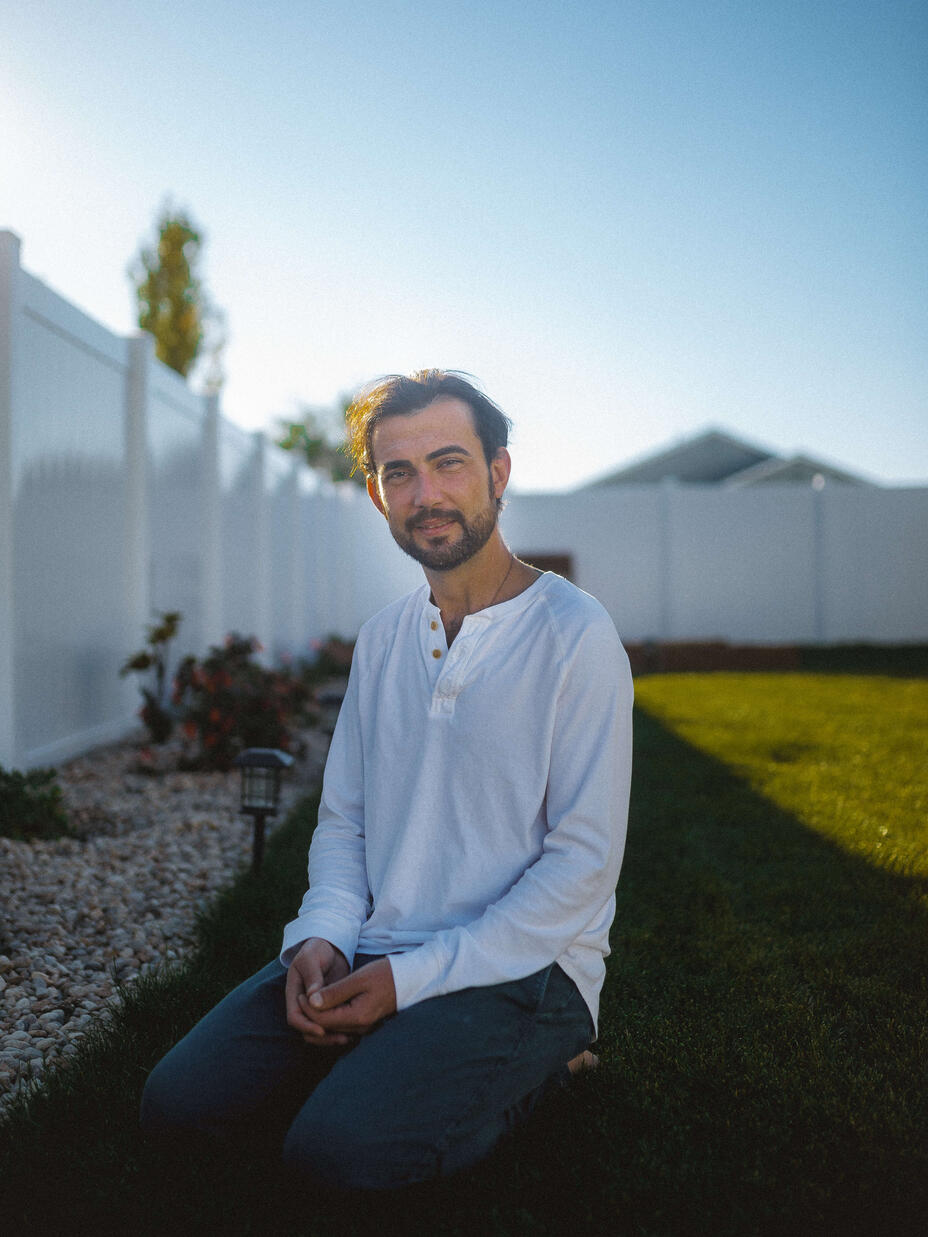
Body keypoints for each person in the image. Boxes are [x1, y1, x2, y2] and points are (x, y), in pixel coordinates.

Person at [141, 370, 633, 1190]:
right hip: (376, 945)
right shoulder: (382, 639)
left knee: (339, 1153)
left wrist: (410, 982)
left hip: (528, 968)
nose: (425, 494)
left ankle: (542, 1069)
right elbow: (346, 823)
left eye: (449, 463)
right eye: (398, 473)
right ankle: (387, 1055)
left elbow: (583, 865)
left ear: (498, 473)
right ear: (376, 496)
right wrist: (322, 937)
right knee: (178, 1105)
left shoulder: (574, 635)